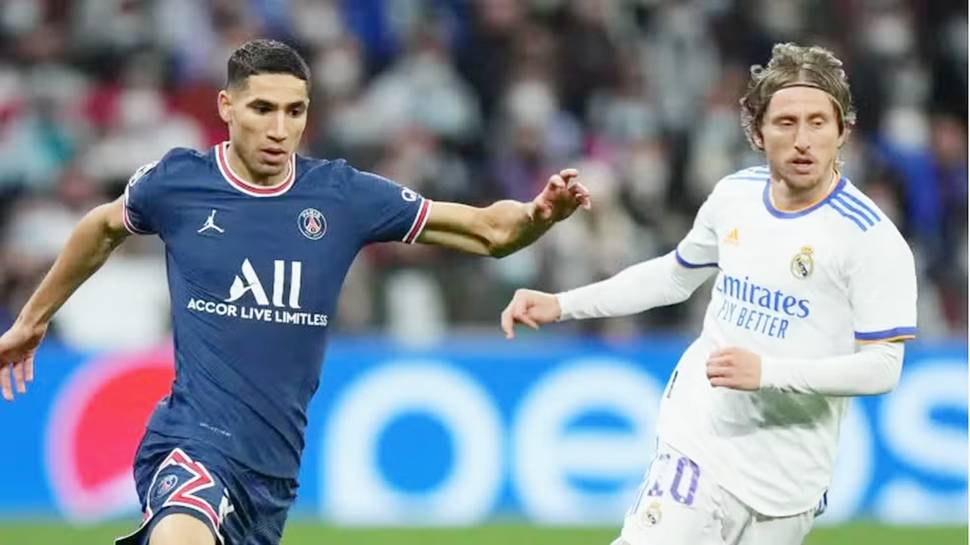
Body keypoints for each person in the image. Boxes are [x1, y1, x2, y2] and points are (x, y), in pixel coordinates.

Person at [0, 39, 590, 545]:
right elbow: (102, 226)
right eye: (262, 109)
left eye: (295, 111)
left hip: (271, 478)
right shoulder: (179, 183)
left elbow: (490, 232)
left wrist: (537, 215)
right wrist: (32, 320)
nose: (280, 130)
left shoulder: (342, 196)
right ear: (227, 107)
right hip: (191, 446)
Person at [501, 42, 917, 545]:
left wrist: (768, 373)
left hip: (790, 477)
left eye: (817, 123)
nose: (802, 140)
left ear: (842, 130)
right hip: (700, 436)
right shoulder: (735, 195)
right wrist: (563, 304)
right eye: (785, 123)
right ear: (757, 131)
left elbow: (882, 367)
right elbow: (674, 276)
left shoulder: (871, 240)